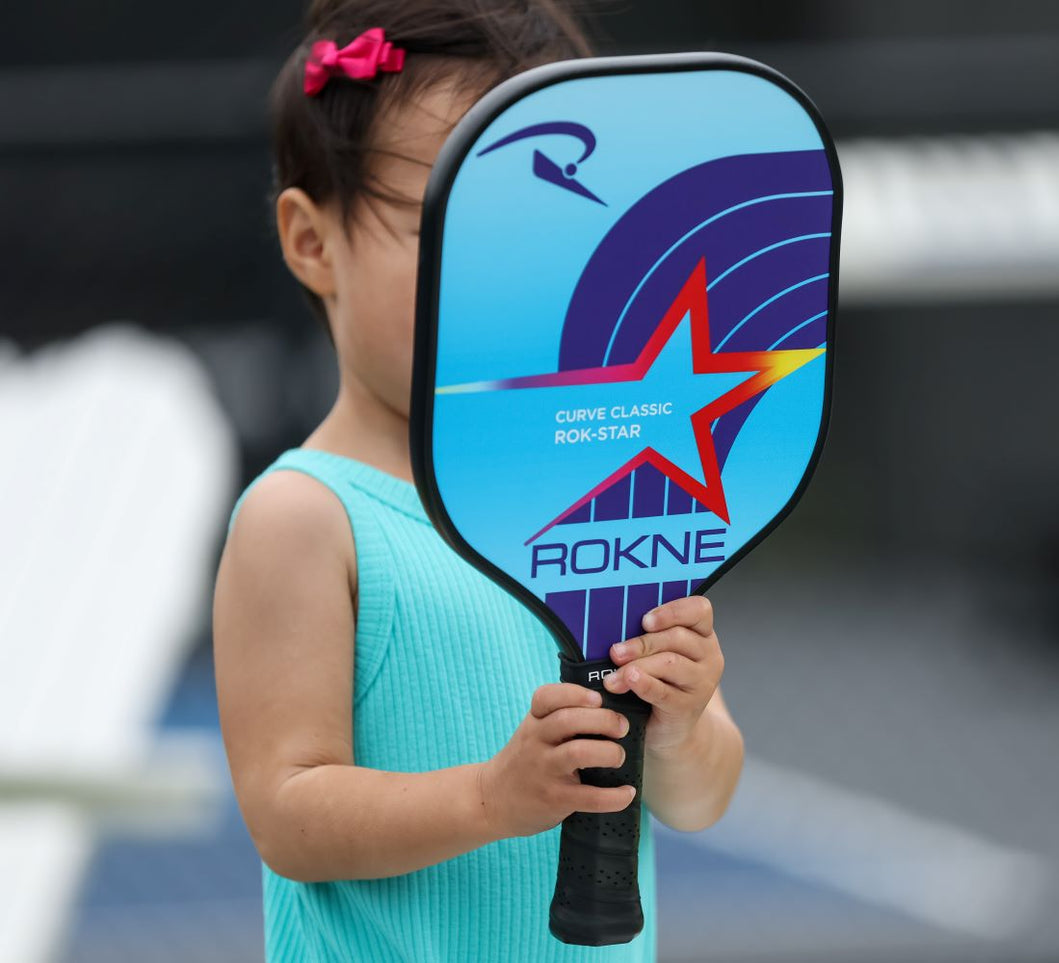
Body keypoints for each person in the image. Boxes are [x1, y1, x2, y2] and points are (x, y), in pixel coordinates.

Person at [211, 3, 744, 960]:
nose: (499, 277)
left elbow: (701, 800)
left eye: (540, 233)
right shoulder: (304, 517)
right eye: (448, 226)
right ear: (311, 242)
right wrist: (491, 797)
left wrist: (682, 724)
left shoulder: (611, 488)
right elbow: (286, 812)